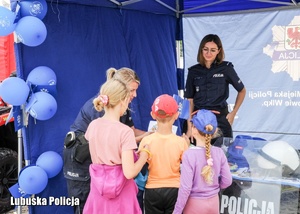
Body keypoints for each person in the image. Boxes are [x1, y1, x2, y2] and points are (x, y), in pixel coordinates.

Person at [63, 67, 150, 214]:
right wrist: (143, 154)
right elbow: (118, 144)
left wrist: (148, 134)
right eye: (131, 90)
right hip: (80, 166)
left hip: (99, 183)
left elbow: (119, 137)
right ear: (120, 91)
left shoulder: (96, 124)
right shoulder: (99, 114)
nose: (134, 95)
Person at [184, 34, 246, 139]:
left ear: (218, 51)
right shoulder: (193, 71)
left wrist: (233, 113)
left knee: (222, 153)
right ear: (201, 50)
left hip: (219, 120)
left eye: (213, 50)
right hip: (198, 120)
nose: (208, 53)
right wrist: (189, 126)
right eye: (205, 49)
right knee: (197, 153)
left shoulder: (226, 68)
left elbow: (242, 91)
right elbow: (190, 100)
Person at [173, 109, 232, 214]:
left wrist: (177, 211)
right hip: (214, 202)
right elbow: (227, 180)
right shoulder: (219, 153)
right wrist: (214, 187)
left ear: (194, 130)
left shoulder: (189, 155)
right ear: (214, 131)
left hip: (194, 205)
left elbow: (185, 188)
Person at [138, 94, 189, 214]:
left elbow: (140, 164)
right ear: (176, 115)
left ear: (153, 114)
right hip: (175, 190)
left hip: (152, 190)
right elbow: (187, 166)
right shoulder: (181, 142)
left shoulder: (146, 141)